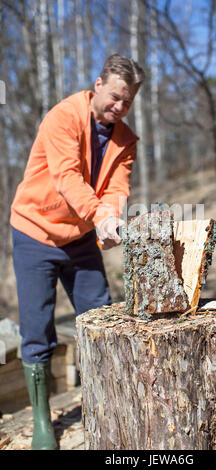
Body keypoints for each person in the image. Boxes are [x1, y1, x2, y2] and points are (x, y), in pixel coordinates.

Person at [10, 54, 145, 450]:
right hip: (35, 231)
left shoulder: (126, 140)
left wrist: (110, 216)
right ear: (98, 84)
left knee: (101, 318)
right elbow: (66, 176)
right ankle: (41, 422)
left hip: (81, 238)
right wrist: (97, 214)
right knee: (37, 330)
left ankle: (106, 409)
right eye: (115, 96)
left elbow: (118, 189)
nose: (119, 107)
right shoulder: (63, 117)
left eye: (128, 101)